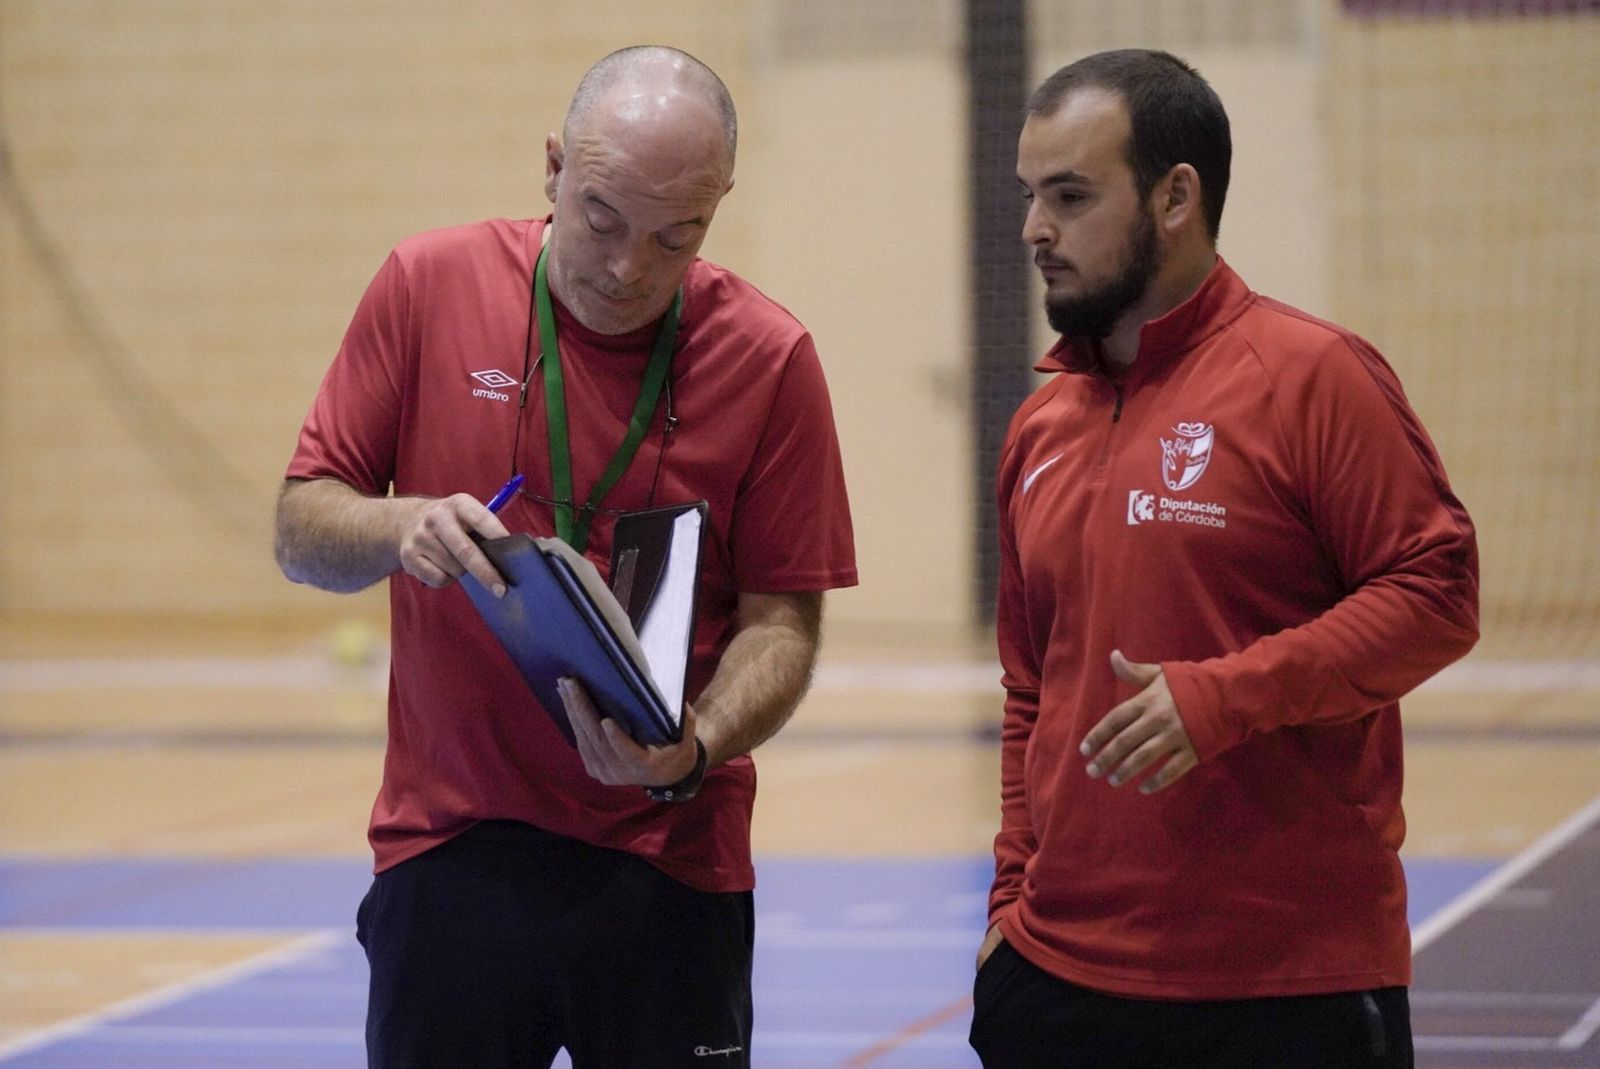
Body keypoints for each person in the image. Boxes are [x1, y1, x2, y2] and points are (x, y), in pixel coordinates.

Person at [275, 46, 856, 1069]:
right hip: (452, 846)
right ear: (551, 167)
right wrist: (395, 526)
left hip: (669, 859)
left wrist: (694, 748)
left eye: (677, 236)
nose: (629, 266)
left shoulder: (769, 358)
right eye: (601, 219)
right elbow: (301, 528)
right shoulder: (426, 285)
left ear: (718, 207)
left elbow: (782, 622)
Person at [970, 49, 1478, 1068]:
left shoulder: (1315, 377)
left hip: (1286, 990)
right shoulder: (1039, 427)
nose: (1033, 229)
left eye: (1069, 196)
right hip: (1056, 982)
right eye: (1029, 196)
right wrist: (1009, 906)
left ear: (1174, 197)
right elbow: (1032, 690)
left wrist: (1225, 696)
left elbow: (1435, 594)